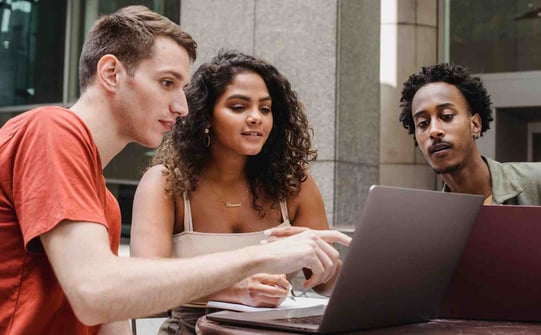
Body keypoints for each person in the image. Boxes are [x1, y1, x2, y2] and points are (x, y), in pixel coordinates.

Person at [0, 6, 350, 335]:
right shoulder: (51, 129)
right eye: (167, 83)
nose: (182, 106)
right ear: (111, 73)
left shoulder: (103, 202)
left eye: (182, 89)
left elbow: (114, 315)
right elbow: (96, 294)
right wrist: (262, 255)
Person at [129, 50, 339, 334]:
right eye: (239, 107)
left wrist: (329, 267)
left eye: (265, 109)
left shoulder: (293, 184)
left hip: (277, 329)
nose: (256, 118)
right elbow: (143, 288)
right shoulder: (166, 183)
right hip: (193, 329)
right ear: (206, 117)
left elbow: (328, 286)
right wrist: (230, 290)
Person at [398, 62, 541, 315]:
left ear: (475, 125)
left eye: (446, 116)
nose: (434, 130)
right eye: (423, 123)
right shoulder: (429, 228)